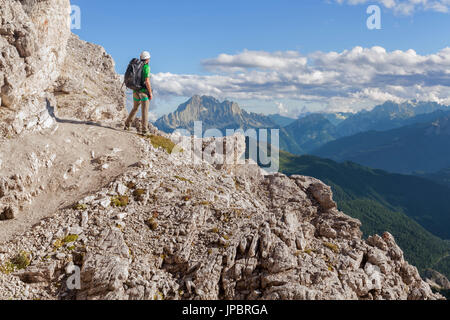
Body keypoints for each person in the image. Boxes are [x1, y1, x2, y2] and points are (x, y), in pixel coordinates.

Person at [124, 51, 153, 135]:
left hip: (135, 90)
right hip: (143, 92)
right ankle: (144, 131)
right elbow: (147, 81)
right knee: (145, 111)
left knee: (135, 108)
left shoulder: (137, 65)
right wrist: (150, 93)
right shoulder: (146, 67)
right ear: (147, 59)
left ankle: (127, 125)